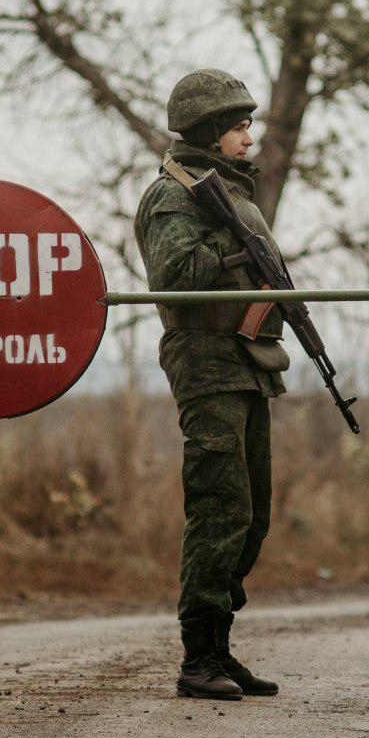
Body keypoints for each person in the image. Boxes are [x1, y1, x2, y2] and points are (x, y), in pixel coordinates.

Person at [133, 69, 289, 701]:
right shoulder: (174, 196)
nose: (249, 136)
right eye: (238, 125)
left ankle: (220, 645)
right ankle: (198, 657)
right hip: (206, 361)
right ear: (209, 131)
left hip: (246, 363)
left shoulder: (231, 193)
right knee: (219, 507)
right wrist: (239, 254)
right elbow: (174, 274)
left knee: (252, 516)